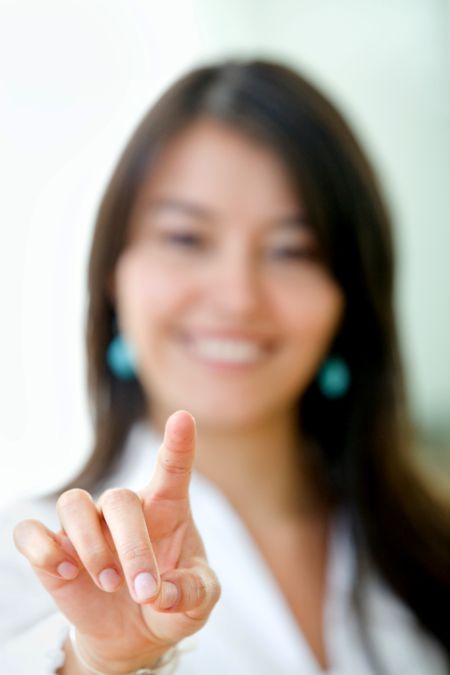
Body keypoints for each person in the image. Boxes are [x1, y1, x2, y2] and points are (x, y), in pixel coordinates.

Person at [0, 57, 449, 675]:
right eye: (186, 239)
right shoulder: (30, 569)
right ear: (113, 275)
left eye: (292, 250)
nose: (238, 297)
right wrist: (103, 662)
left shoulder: (430, 550)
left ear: (350, 297)